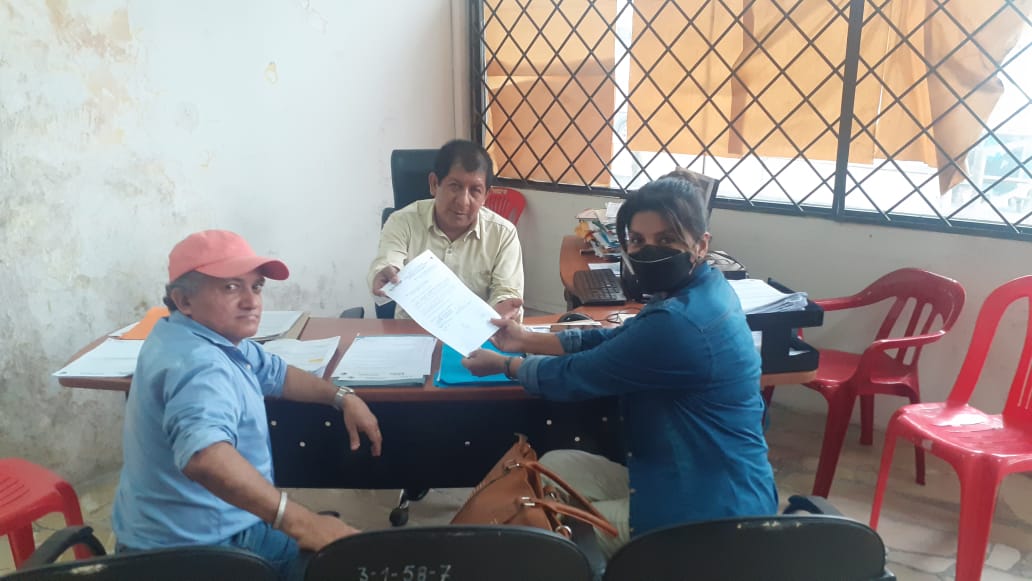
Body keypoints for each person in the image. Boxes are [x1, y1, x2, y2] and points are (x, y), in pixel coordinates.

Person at [461, 176, 777, 557]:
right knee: (554, 467)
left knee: (536, 535)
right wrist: (525, 339)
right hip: (682, 474)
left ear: (701, 244)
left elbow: (578, 375)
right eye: (638, 240)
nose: (649, 251)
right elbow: (615, 340)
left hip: (704, 513)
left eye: (667, 239)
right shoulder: (700, 290)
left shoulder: (680, 323)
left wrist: (507, 365)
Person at [112, 230, 384, 579]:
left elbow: (278, 374)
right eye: (230, 287)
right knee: (345, 564)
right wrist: (302, 523)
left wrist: (342, 397)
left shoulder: (193, 335)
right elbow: (205, 457)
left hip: (166, 532)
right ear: (184, 300)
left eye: (256, 287)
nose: (251, 301)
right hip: (197, 550)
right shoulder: (200, 364)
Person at [368, 139, 524, 319]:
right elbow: (388, 261)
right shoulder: (402, 222)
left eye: (475, 190)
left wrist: (505, 307)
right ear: (434, 184)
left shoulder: (503, 234)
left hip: (473, 331)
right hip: (411, 329)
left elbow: (506, 292)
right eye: (455, 187)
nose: (463, 201)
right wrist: (384, 275)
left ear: (485, 196)